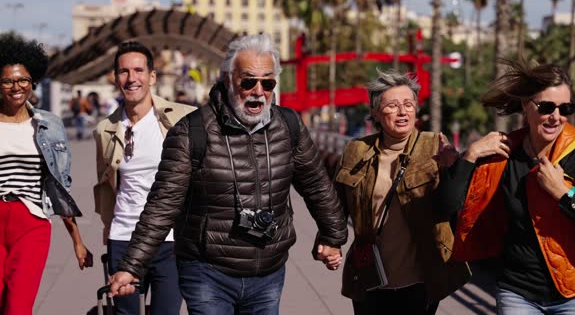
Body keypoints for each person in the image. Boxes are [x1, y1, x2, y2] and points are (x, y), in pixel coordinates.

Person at [108, 34, 348, 314]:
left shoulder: (290, 126)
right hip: (207, 273)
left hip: (268, 272)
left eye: (267, 82)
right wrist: (131, 266)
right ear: (227, 79)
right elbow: (163, 204)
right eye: (248, 81)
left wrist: (333, 236)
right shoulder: (191, 132)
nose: (258, 90)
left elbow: (317, 185)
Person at [435, 60, 575, 314]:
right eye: (546, 107)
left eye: (565, 108)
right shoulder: (503, 153)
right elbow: (445, 206)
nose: (556, 117)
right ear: (526, 105)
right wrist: (470, 155)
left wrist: (564, 195)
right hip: (517, 292)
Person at [334, 69, 470, 315]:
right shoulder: (356, 150)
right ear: (375, 112)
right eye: (393, 105)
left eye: (408, 104)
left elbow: (451, 204)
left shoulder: (434, 145)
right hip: (369, 274)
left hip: (421, 278)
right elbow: (337, 204)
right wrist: (329, 241)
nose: (402, 111)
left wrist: (454, 167)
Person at [93, 41, 195, 315]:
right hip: (124, 239)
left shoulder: (182, 119)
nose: (131, 78)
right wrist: (108, 228)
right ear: (116, 78)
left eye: (138, 70)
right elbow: (105, 184)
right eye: (124, 71)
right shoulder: (105, 129)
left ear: (152, 76)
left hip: (170, 241)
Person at [0, 33, 92, 313]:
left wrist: (77, 240)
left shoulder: (49, 125)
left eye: (23, 80)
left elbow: (59, 184)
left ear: (33, 82)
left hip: (32, 224)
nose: (17, 87)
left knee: (18, 307)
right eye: (7, 81)